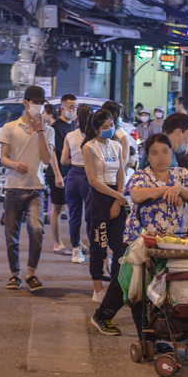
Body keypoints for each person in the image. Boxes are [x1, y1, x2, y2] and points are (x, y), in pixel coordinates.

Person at [90, 134, 188, 336]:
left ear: (172, 153)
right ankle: (145, 334)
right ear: (148, 156)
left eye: (165, 151)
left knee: (147, 282)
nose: (161, 157)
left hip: (168, 242)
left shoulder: (181, 174)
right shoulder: (141, 175)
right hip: (137, 239)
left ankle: (106, 316)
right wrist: (166, 189)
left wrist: (180, 189)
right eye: (154, 153)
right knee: (135, 284)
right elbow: (136, 195)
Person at [0, 86, 55, 292]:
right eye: (35, 102)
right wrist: (15, 164)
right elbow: (3, 158)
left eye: (41, 103)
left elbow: (47, 159)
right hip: (13, 188)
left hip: (36, 189)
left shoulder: (48, 130)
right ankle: (14, 274)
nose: (38, 106)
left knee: (37, 230)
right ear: (26, 103)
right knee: (11, 234)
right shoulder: (10, 127)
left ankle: (31, 272)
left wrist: (40, 130)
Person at [82, 109, 128, 303]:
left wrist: (118, 200)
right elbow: (92, 180)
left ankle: (117, 287)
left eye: (111, 126)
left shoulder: (117, 146)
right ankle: (98, 289)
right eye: (105, 127)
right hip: (99, 200)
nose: (109, 129)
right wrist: (117, 196)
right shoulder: (89, 147)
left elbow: (121, 173)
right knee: (98, 247)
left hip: (117, 199)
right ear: (96, 128)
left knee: (121, 249)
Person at [45, 94, 77, 256]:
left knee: (73, 209)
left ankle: (76, 242)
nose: (74, 110)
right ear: (62, 108)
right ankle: (57, 243)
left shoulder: (74, 126)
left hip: (71, 174)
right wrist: (58, 175)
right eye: (71, 107)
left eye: (76, 107)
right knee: (57, 208)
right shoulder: (57, 127)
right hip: (57, 173)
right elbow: (52, 153)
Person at [62, 104, 92, 264]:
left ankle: (76, 251)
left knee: (74, 216)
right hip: (88, 177)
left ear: (77, 118)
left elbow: (63, 160)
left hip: (73, 176)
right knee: (91, 216)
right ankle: (94, 249)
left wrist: (75, 159)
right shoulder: (94, 136)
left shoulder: (70, 135)